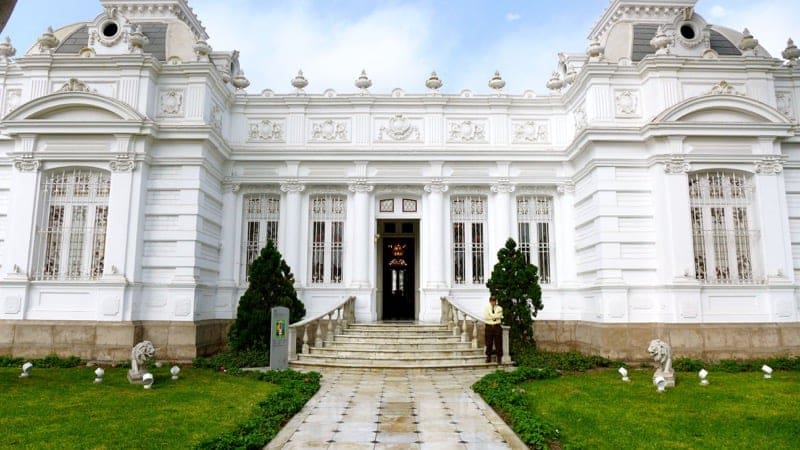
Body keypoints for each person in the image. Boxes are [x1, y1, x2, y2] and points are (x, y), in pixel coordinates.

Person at [484, 295, 503, 364]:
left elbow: (499, 316)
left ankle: (499, 358)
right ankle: (488, 357)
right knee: (489, 342)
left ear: (496, 301)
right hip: (489, 326)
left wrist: (491, 315)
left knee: (498, 342)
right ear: (490, 301)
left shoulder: (499, 308)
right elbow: (486, 317)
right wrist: (494, 316)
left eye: (494, 301)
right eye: (492, 301)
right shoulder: (487, 308)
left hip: (496, 326)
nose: (493, 302)